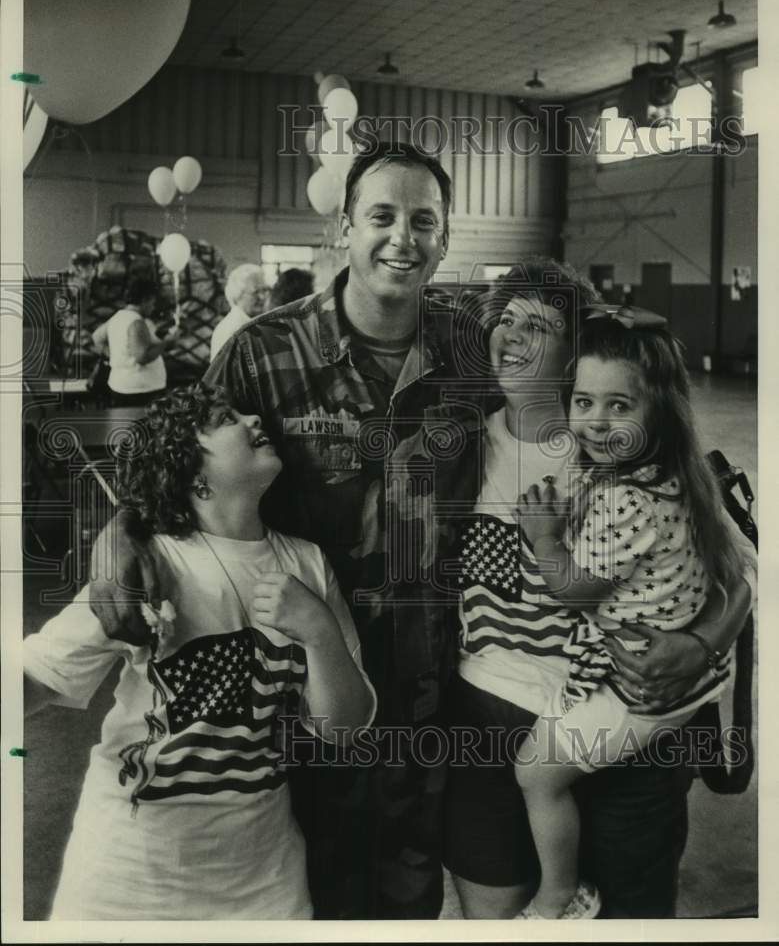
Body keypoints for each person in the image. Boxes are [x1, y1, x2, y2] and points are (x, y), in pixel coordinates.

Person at [87, 150, 752, 920]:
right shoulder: (264, 354)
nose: (401, 237)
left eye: (423, 221)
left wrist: (706, 636)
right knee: (317, 889)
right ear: (344, 227)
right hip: (315, 688)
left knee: (416, 895)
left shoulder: (477, 351)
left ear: (443, 240)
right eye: (381, 215)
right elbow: (175, 465)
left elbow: (694, 506)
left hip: (446, 695)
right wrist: (116, 541)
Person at [430, 264, 756, 919]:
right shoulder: (455, 445)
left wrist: (701, 641)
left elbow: (742, 568)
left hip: (622, 726)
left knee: (626, 917)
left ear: (574, 348)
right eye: (505, 320)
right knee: (495, 913)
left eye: (539, 323)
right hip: (485, 720)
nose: (513, 335)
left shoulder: (630, 450)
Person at [23, 382, 375, 920]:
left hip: (264, 883)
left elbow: (345, 728)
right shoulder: (146, 567)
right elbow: (36, 678)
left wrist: (320, 631)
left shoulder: (307, 563)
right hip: (126, 877)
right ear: (193, 474)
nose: (255, 416)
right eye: (224, 417)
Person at [512, 308, 749, 918]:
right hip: (668, 685)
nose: (596, 421)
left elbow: (575, 592)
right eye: (584, 402)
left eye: (620, 406)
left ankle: (559, 895)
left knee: (536, 771)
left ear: (659, 412)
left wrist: (543, 539)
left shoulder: (625, 499)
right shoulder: (668, 473)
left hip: (642, 690)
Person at [92, 268, 178, 406]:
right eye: (152, 302)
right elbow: (141, 357)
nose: (153, 307)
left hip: (121, 385)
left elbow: (96, 337)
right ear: (145, 299)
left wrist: (114, 355)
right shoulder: (136, 322)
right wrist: (166, 343)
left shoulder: (117, 317)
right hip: (140, 390)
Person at [210, 263, 270, 360]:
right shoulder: (233, 329)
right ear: (238, 295)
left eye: (264, 290)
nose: (262, 297)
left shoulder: (252, 323)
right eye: (255, 292)